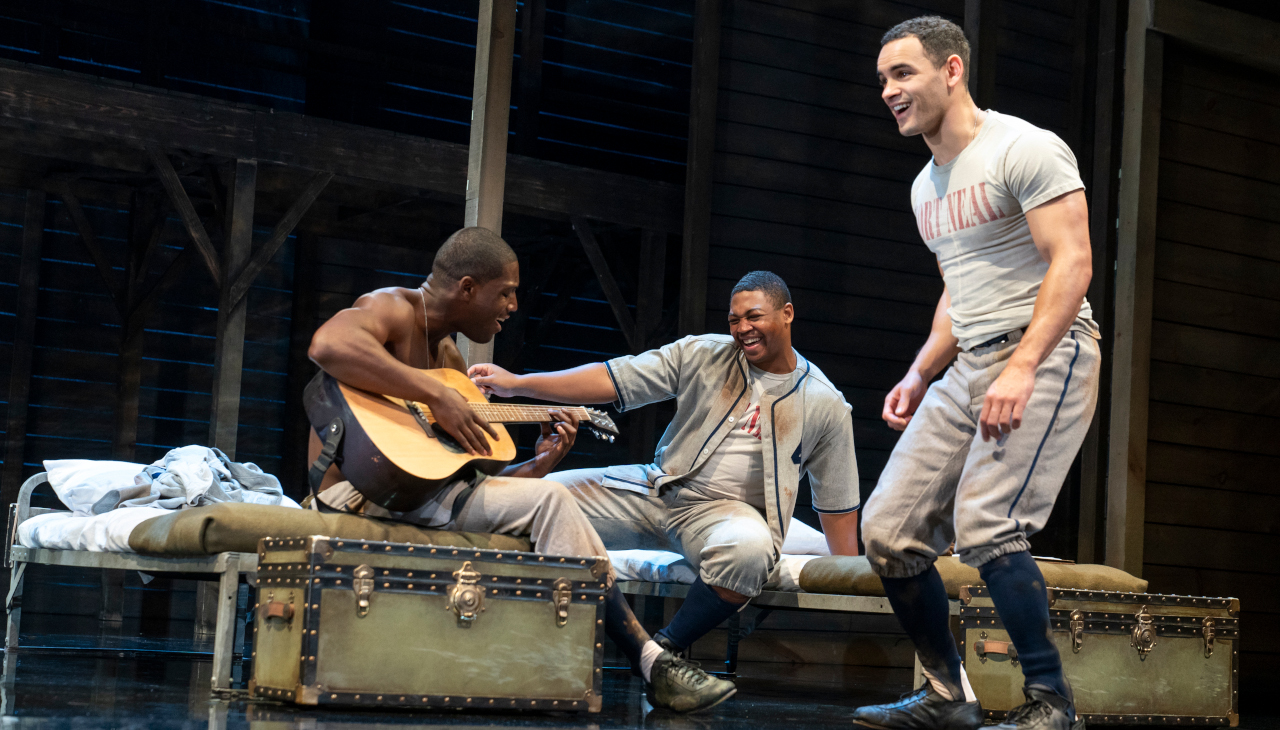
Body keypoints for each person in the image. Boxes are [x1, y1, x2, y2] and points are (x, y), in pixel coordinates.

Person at [305, 226, 734, 713]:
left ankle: (571, 666)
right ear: (467, 287)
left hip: (416, 496)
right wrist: (436, 395)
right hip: (357, 491)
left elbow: (457, 487)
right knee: (554, 501)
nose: (512, 306)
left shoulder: (447, 357)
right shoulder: (393, 308)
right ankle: (650, 660)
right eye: (505, 293)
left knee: (549, 493)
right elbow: (327, 345)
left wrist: (538, 465)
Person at [853, 16, 1100, 730]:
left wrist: (1022, 367)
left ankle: (1052, 704)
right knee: (889, 532)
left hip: (1047, 350)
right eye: (882, 82)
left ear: (952, 70)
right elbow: (960, 289)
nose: (889, 92)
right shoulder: (924, 188)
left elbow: (1073, 263)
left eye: (903, 74)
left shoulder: (1023, 148)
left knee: (988, 524)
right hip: (970, 364)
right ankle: (946, 695)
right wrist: (922, 371)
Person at [469, 270, 861, 688]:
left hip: (723, 515)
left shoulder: (824, 403)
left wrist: (854, 576)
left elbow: (836, 502)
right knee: (532, 498)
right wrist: (518, 385)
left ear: (787, 314)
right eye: (734, 319)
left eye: (754, 316)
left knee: (749, 553)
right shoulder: (704, 354)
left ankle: (660, 655)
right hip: (653, 488)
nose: (742, 328)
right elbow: (614, 376)